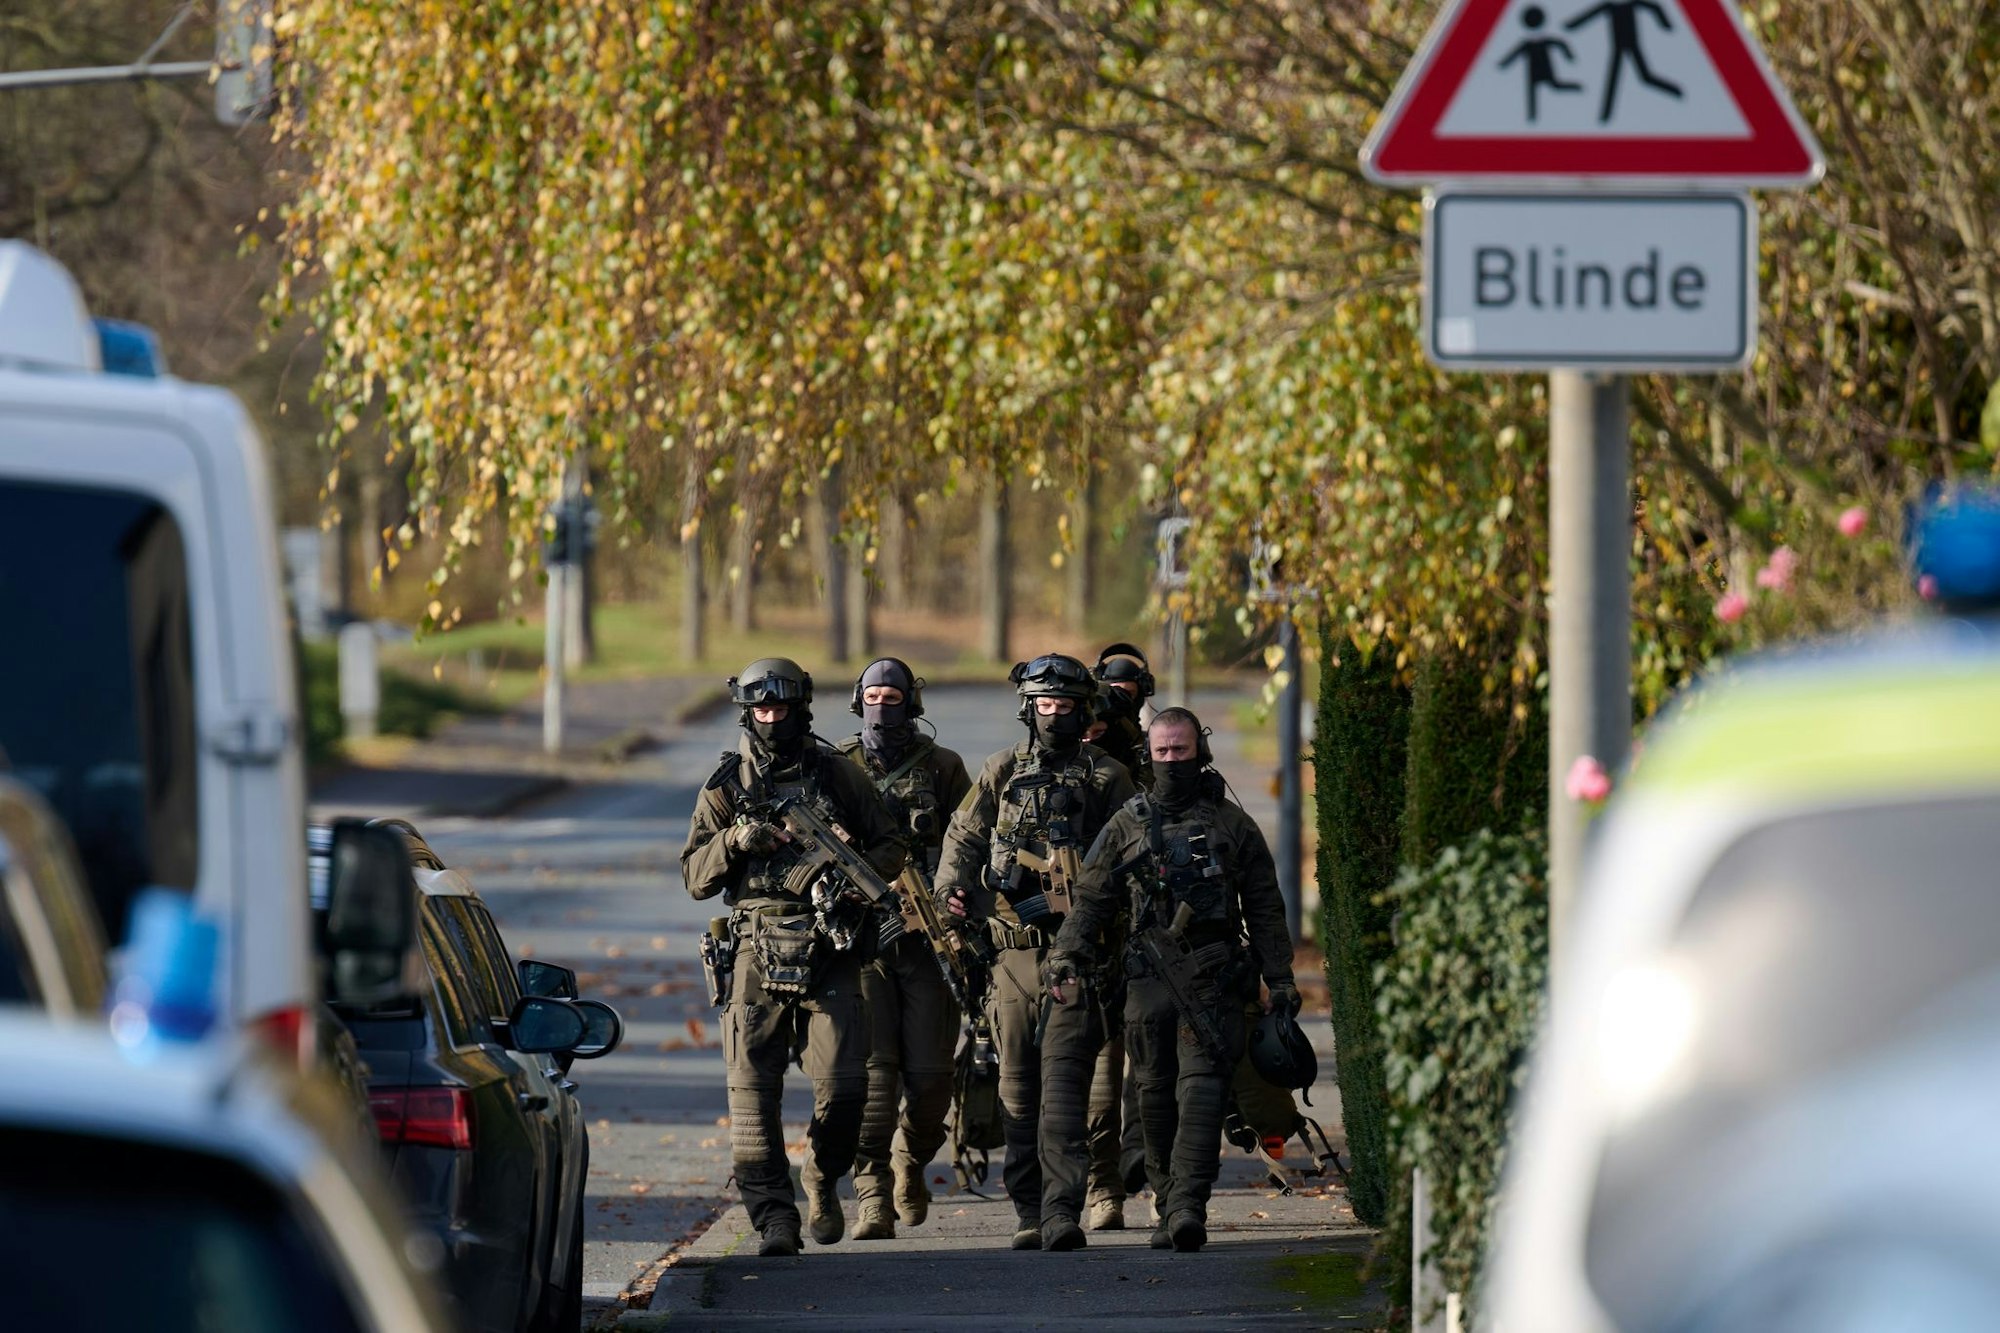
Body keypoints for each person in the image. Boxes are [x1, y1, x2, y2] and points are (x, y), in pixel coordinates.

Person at [1045, 706, 1298, 1252]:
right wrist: (1066, 954)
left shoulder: (1233, 824)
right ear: (1149, 754)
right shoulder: (1127, 823)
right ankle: (1165, 1197)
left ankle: (1188, 1205)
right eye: (1161, 752)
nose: (1171, 760)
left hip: (1215, 978)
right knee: (1155, 1096)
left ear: (1198, 751)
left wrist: (1279, 980)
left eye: (1180, 750)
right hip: (1147, 983)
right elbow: (1090, 899)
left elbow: (1265, 907)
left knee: (1203, 1092)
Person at [681, 657, 905, 1257]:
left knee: (847, 1088)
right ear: (747, 712)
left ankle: (822, 1178)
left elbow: (891, 847)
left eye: (780, 707)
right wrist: (734, 840)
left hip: (831, 946)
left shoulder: (838, 775)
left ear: (800, 706)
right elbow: (694, 877)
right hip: (755, 950)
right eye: (761, 709)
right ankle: (774, 1220)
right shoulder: (725, 786)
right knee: (752, 1098)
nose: (770, 718)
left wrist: (846, 869)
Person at [935, 653, 1136, 1250]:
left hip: (1081, 957)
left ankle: (1061, 1212)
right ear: (1029, 709)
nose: (1053, 716)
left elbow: (1134, 852)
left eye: (1065, 706)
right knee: (1017, 1091)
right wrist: (951, 889)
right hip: (1014, 958)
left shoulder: (1108, 777)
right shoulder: (999, 773)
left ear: (1083, 710)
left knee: (1069, 1091)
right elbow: (962, 838)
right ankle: (1029, 1208)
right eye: (1043, 706)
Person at [835, 658, 973, 1241]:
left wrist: (959, 902)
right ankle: (871, 1194)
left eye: (892, 695)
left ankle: (909, 1162)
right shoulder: (836, 766)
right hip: (861, 943)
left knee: (931, 1079)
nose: (882, 705)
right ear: (857, 699)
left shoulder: (943, 768)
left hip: (928, 942)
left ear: (911, 702)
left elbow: (969, 842)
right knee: (872, 1076)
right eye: (872, 694)